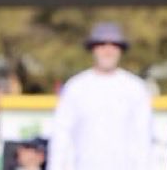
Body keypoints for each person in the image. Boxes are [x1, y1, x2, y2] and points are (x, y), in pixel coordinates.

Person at [48, 22, 153, 170]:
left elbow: (143, 139)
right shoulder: (75, 87)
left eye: (114, 45)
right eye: (102, 44)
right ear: (93, 48)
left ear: (120, 50)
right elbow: (61, 136)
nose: (108, 50)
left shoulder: (135, 88)